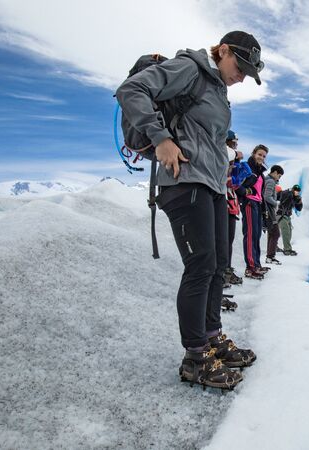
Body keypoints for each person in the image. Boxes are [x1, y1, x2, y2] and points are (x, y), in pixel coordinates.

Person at [116, 31, 264, 390]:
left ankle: (212, 338)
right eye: (239, 66)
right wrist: (161, 138)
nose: (242, 76)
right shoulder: (190, 69)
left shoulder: (218, 90)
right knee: (200, 267)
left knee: (215, 267)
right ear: (223, 50)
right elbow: (131, 91)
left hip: (212, 185)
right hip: (184, 182)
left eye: (248, 72)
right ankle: (196, 358)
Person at [237, 144, 269, 279]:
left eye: (264, 156)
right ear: (254, 153)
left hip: (257, 204)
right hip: (249, 203)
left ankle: (256, 264)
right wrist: (246, 193)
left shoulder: (260, 171)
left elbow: (261, 193)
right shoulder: (247, 167)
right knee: (250, 235)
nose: (261, 157)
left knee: (256, 236)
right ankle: (250, 268)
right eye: (259, 154)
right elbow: (237, 183)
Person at [224, 130, 243, 286]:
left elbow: (235, 182)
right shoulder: (225, 158)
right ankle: (221, 275)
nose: (235, 146)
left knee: (227, 241)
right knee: (222, 241)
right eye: (233, 143)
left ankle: (226, 271)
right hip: (222, 203)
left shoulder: (233, 162)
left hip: (230, 204)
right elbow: (229, 181)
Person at [263, 165, 284, 264]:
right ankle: (270, 257)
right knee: (275, 233)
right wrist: (277, 203)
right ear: (275, 172)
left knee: (272, 233)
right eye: (279, 176)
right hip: (269, 212)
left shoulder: (266, 180)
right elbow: (267, 197)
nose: (279, 178)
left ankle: (269, 257)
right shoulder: (271, 181)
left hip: (267, 211)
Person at [276, 184, 303, 255]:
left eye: (298, 191)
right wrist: (293, 197)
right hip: (281, 215)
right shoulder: (287, 193)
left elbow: (299, 208)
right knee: (286, 232)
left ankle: (286, 248)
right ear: (293, 189)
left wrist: (299, 201)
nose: (297, 192)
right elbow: (284, 199)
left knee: (289, 232)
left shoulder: (295, 197)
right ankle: (287, 250)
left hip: (287, 216)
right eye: (296, 190)